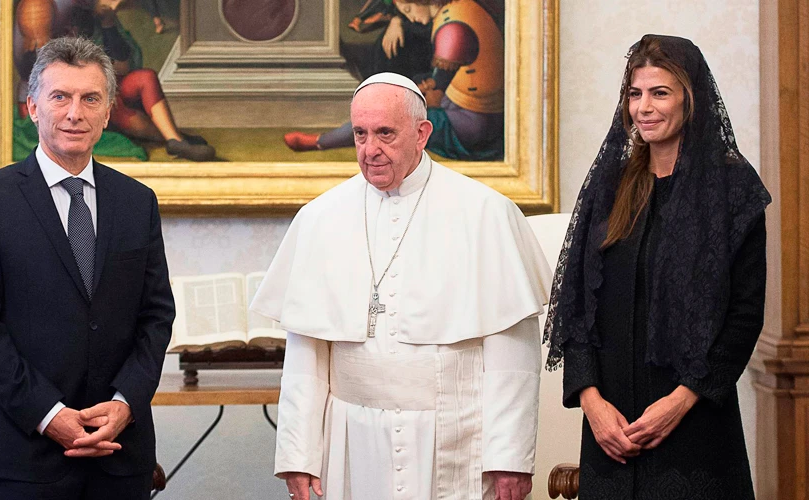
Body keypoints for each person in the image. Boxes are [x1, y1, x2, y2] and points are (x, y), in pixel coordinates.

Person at [252, 72, 551, 500]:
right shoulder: (320, 218)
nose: (370, 150)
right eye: (360, 133)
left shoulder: (485, 213)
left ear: (422, 133)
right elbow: (306, 356)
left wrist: (510, 458)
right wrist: (298, 455)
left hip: (454, 436)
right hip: (350, 440)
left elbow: (513, 357)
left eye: (385, 134)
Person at [543, 35, 771, 499]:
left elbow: (745, 315)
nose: (644, 107)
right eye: (635, 94)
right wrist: (592, 404)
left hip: (694, 432)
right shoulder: (611, 183)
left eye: (660, 93)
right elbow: (576, 304)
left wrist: (680, 401)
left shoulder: (732, 188)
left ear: (691, 98)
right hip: (610, 436)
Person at [0, 37, 176, 499]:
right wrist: (50, 415)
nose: (75, 112)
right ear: (32, 107)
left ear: (108, 112)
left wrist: (124, 404)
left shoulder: (137, 203)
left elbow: (156, 317)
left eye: (90, 98)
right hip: (25, 452)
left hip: (120, 450)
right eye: (60, 97)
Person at [284, 0, 504, 162]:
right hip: (467, 108)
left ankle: (319, 142)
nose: (408, 16)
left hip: (471, 128)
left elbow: (434, 91)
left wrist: (394, 100)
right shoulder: (459, 9)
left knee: (382, 117)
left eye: (407, 9)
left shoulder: (452, 28)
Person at [13, 0, 214, 161]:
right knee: (116, 110)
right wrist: (95, 88)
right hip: (55, 100)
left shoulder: (91, 8)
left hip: (94, 87)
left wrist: (108, 24)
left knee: (145, 78)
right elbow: (39, 69)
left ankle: (174, 139)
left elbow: (124, 63)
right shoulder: (38, 6)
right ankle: (174, 137)